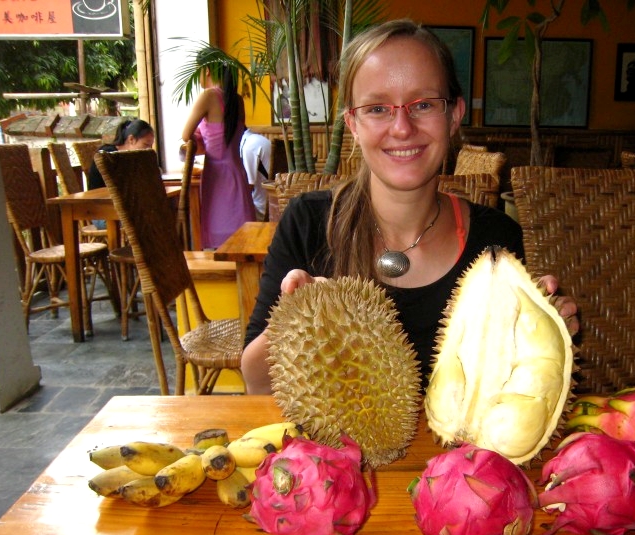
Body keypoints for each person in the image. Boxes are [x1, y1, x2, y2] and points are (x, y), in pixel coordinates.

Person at [241, 19, 578, 394]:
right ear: (352, 122)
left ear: (453, 115)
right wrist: (296, 319)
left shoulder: (496, 239)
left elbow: (506, 386)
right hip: (333, 452)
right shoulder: (308, 222)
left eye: (423, 104)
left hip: (457, 452)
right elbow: (256, 384)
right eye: (377, 108)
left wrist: (544, 336)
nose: (402, 127)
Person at [182, 60, 256, 249]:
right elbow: (227, 135)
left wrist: (200, 137)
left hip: (217, 177)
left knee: (218, 242)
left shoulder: (208, 96)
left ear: (207, 71)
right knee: (242, 239)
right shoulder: (237, 101)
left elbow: (185, 135)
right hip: (237, 173)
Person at [86, 118, 155, 190]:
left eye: (150, 146)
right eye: (146, 145)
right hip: (103, 197)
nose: (149, 149)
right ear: (131, 139)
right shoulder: (109, 155)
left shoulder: (132, 157)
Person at [240, 129, 272, 220]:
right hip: (271, 203)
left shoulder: (249, 146)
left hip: (261, 209)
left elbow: (247, 188)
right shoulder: (255, 139)